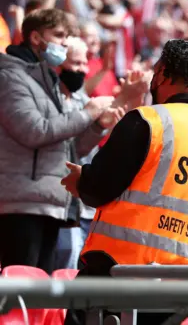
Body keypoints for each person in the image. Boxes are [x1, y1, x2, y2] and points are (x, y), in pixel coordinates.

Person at [61, 39, 188, 325]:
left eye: (156, 72)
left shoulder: (148, 121)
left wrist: (81, 180)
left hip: (118, 276)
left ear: (165, 74)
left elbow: (98, 189)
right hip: (180, 289)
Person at [0, 8, 115, 274]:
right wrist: (88, 112)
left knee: (40, 299)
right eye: (59, 35)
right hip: (21, 203)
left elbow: (68, 147)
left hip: (48, 202)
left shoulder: (46, 77)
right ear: (37, 38)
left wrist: (98, 125)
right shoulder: (9, 76)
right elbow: (35, 131)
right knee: (20, 298)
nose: (64, 43)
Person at [54, 36, 125, 271]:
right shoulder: (52, 99)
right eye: (76, 64)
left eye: (85, 64)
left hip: (81, 203)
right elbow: (68, 146)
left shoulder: (85, 100)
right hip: (53, 200)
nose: (82, 70)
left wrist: (104, 123)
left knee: (73, 268)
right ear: (57, 64)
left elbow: (85, 147)